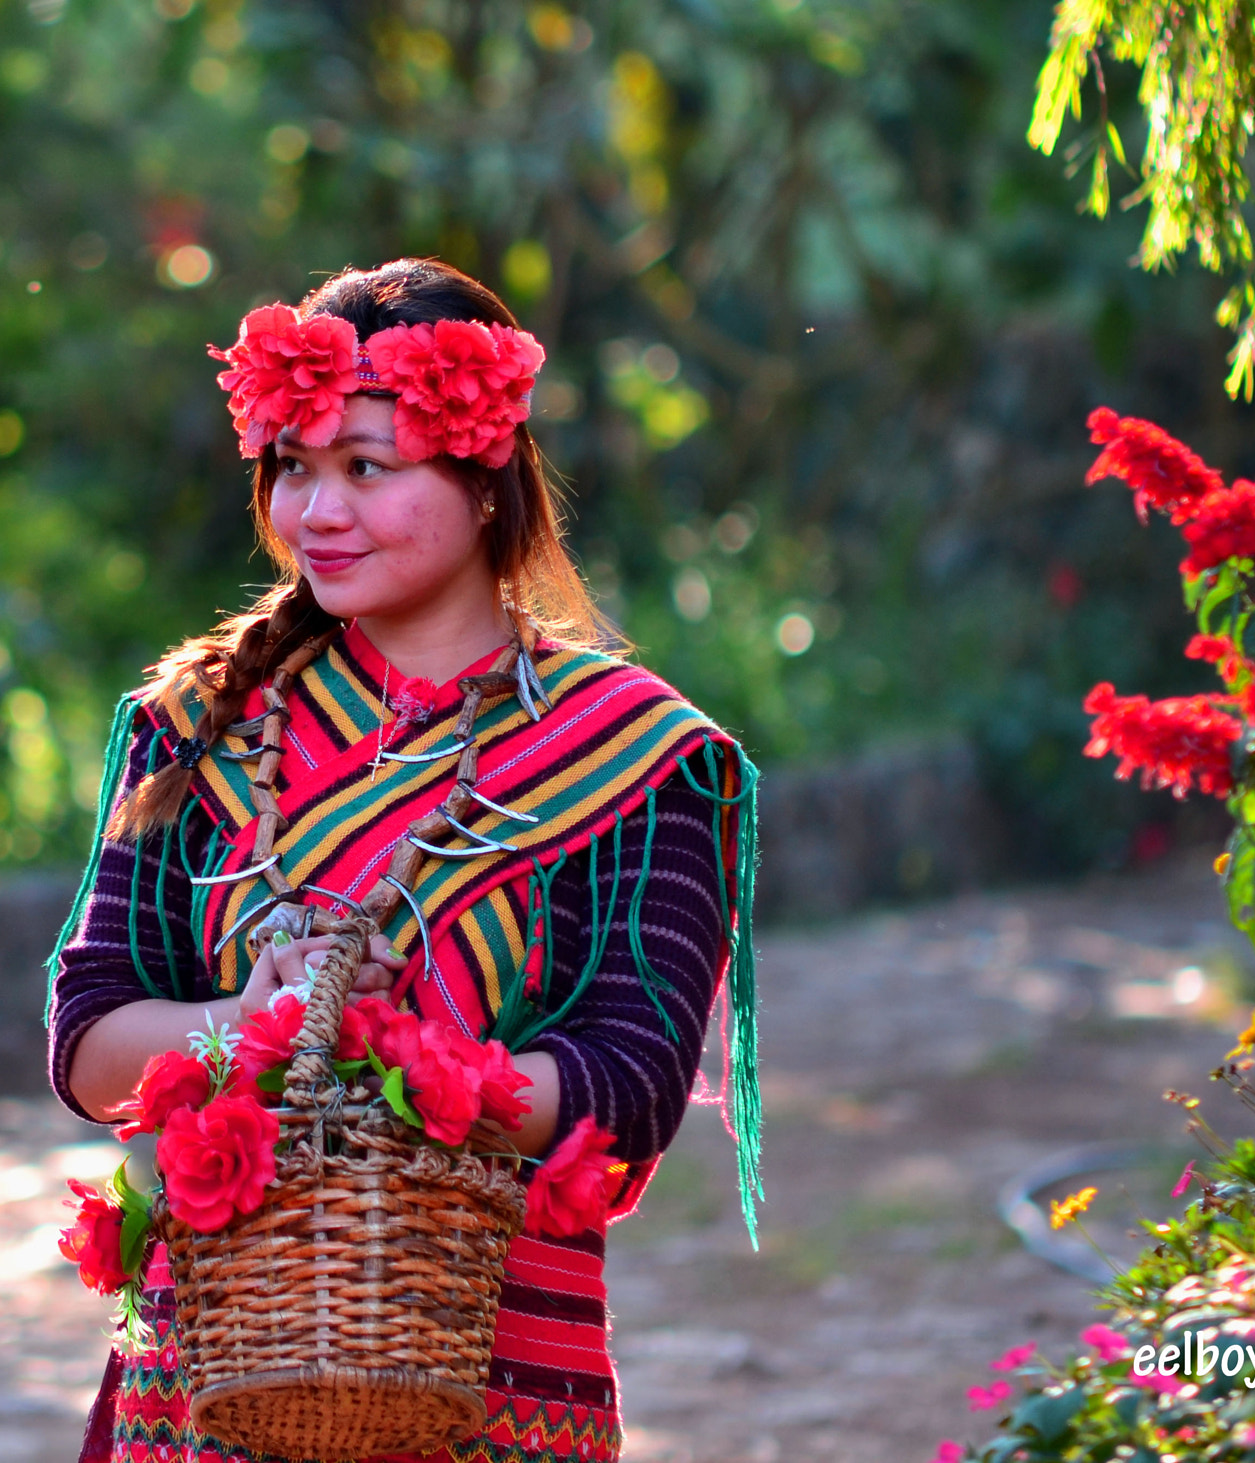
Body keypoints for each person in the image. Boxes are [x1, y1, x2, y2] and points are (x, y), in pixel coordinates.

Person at [44, 257, 760, 1463]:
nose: (316, 513)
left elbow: (630, 1084)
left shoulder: (636, 754)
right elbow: (87, 1039)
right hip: (210, 1368)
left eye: (366, 469)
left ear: (483, 483)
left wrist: (405, 1059)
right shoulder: (200, 722)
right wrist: (248, 1021)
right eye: (293, 469)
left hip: (486, 1370)